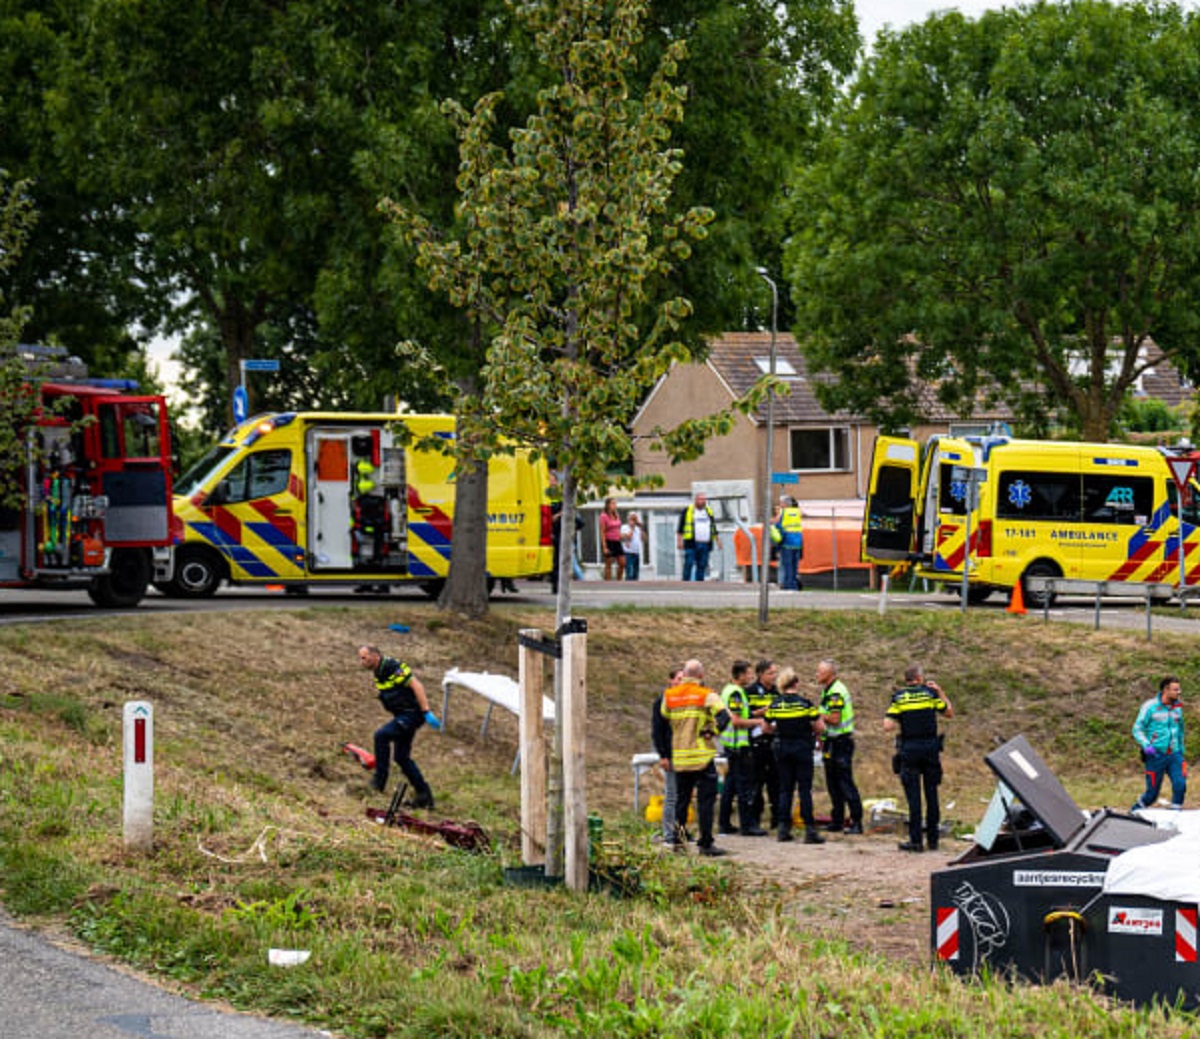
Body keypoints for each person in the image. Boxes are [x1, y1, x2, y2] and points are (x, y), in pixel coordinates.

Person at [661, 658, 733, 857]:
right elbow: (725, 716)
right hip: (701, 755)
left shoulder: (669, 696)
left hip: (681, 756)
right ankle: (706, 843)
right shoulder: (706, 694)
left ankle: (678, 841)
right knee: (706, 802)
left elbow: (665, 714)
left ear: (683, 675)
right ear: (701, 675)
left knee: (681, 802)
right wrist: (711, 731)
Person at [358, 644, 442, 807]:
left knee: (381, 736)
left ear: (375, 656)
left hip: (412, 714)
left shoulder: (392, 666)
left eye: (364, 657)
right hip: (403, 715)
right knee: (401, 758)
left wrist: (426, 711)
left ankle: (379, 782)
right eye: (361, 658)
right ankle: (424, 795)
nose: (362, 662)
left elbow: (416, 685)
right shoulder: (378, 671)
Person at [884, 663, 954, 852]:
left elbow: (888, 725)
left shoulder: (899, 697)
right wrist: (940, 692)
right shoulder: (930, 695)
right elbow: (948, 712)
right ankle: (933, 840)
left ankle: (916, 841)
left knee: (913, 798)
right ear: (920, 679)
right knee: (932, 795)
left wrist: (901, 717)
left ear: (906, 680)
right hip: (931, 750)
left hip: (910, 750)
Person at [765, 666, 826, 844]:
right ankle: (809, 830)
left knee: (785, 789)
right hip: (802, 748)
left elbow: (765, 727)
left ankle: (783, 829)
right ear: (796, 683)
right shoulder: (805, 704)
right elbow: (820, 727)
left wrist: (778, 728)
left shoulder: (775, 704)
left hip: (782, 748)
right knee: (804, 790)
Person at [717, 660, 767, 836]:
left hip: (732, 745)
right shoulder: (736, 694)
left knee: (730, 786)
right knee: (743, 786)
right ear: (739, 675)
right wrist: (759, 721)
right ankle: (747, 825)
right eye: (748, 673)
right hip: (739, 745)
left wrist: (758, 712)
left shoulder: (729, 690)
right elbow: (737, 721)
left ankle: (724, 823)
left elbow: (740, 714)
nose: (750, 676)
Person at [818, 659, 864, 834]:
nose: (817, 675)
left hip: (841, 742)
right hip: (831, 741)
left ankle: (856, 821)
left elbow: (834, 719)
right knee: (832, 783)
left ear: (830, 674)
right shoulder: (827, 691)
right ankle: (837, 819)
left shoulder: (836, 691)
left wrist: (817, 714)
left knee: (845, 782)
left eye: (820, 672)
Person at [1131, 676, 1187, 812]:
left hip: (1175, 755)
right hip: (1155, 755)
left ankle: (1175, 815)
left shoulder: (1177, 708)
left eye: (1179, 689)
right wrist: (1146, 745)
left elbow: (1180, 730)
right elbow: (1137, 729)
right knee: (1152, 794)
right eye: (1175, 690)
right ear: (1165, 690)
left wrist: (1181, 749)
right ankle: (1134, 812)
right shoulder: (1150, 707)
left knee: (1180, 785)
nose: (1179, 692)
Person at [745, 659, 781, 831]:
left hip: (772, 741)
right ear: (760, 674)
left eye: (775, 673)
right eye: (770, 673)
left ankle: (777, 818)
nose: (774, 677)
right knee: (756, 782)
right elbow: (743, 715)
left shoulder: (776, 692)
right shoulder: (749, 692)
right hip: (756, 742)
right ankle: (754, 819)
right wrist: (761, 713)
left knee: (776, 781)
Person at [651, 664, 684, 846]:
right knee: (671, 794)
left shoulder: (685, 701)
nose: (681, 682)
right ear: (671, 681)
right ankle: (668, 833)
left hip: (686, 753)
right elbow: (658, 731)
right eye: (678, 678)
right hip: (670, 753)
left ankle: (681, 831)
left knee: (683, 795)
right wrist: (663, 755)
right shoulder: (662, 702)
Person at [677, 492, 720, 582]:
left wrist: (718, 540)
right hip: (691, 543)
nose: (702, 501)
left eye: (704, 499)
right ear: (695, 500)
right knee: (689, 563)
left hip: (705, 543)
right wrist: (679, 541)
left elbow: (713, 527)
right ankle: (686, 581)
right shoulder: (688, 511)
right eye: (700, 499)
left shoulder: (709, 511)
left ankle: (699, 582)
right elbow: (680, 527)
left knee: (702, 564)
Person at [773, 496, 805, 591]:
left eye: (781, 503)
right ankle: (794, 585)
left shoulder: (783, 512)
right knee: (795, 566)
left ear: (785, 504)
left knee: (787, 565)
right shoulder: (798, 512)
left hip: (786, 541)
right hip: (797, 542)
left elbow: (776, 523)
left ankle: (788, 585)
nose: (780, 505)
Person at [600, 497, 624, 581]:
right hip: (608, 541)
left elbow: (617, 529)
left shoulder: (616, 515)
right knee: (609, 563)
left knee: (622, 563)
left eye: (615, 503)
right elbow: (602, 532)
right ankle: (608, 583)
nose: (615, 505)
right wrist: (604, 547)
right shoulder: (604, 516)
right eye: (613, 503)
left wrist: (623, 536)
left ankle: (619, 581)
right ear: (608, 505)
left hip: (617, 541)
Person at [621, 511, 644, 581]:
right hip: (628, 553)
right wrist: (631, 527)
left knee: (635, 574)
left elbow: (643, 538)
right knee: (629, 574)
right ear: (628, 519)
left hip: (636, 553)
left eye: (635, 519)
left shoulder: (637, 529)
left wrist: (641, 528)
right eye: (632, 518)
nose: (634, 521)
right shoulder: (624, 527)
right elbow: (628, 537)